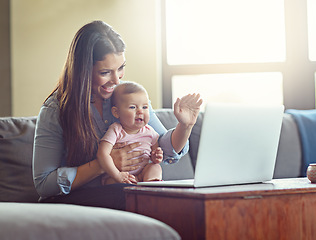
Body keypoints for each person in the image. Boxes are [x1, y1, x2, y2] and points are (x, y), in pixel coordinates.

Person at [32, 20, 202, 210]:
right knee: (138, 200)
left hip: (123, 191)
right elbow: (44, 185)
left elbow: (165, 148)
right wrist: (104, 163)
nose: (116, 80)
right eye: (105, 72)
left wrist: (184, 126)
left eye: (121, 68)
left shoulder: (126, 96)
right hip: (76, 201)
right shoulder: (55, 110)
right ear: (82, 71)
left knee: (171, 199)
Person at [97, 81, 164, 184]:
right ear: (116, 112)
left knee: (155, 167)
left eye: (145, 107)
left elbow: (155, 154)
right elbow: (102, 154)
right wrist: (117, 175)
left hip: (142, 174)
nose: (140, 111)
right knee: (110, 182)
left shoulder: (150, 131)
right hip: (120, 176)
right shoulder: (116, 130)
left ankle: (152, 186)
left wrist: (157, 156)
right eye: (133, 107)